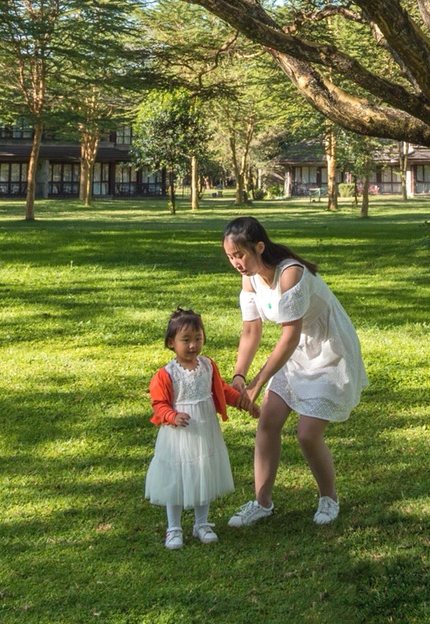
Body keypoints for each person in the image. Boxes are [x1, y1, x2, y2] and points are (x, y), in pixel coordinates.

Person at [221, 216, 368, 529]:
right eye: (230, 257)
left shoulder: (290, 273)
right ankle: (262, 503)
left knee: (307, 434)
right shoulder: (249, 279)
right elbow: (250, 330)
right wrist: (239, 376)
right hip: (298, 350)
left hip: (330, 349)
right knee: (268, 423)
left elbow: (288, 335)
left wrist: (258, 383)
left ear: (259, 247)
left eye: (241, 255)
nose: (236, 263)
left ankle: (329, 499)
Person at [145, 307, 244, 549]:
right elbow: (158, 403)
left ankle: (202, 523)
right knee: (177, 479)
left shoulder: (208, 366)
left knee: (203, 472)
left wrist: (242, 401)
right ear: (171, 343)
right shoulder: (166, 374)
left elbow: (221, 389)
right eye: (186, 340)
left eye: (198, 339)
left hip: (204, 430)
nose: (193, 345)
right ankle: (174, 528)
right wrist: (172, 415)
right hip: (180, 435)